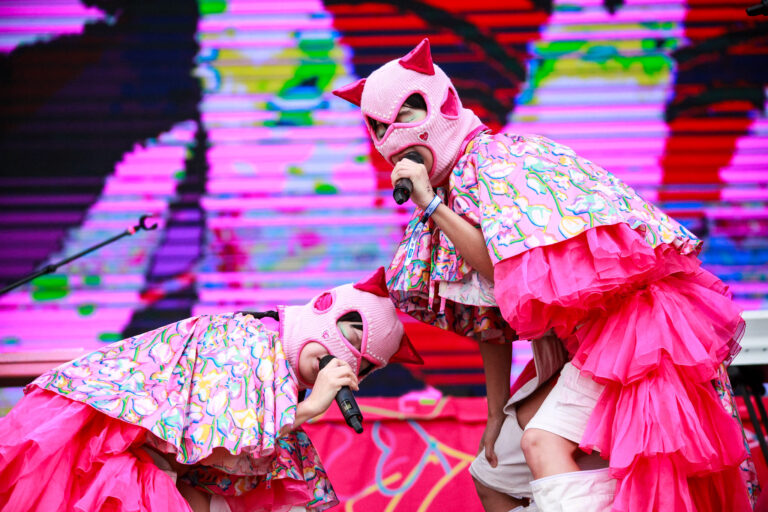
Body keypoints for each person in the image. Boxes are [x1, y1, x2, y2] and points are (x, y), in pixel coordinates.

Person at [333, 38, 755, 511]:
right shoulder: (450, 193)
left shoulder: (497, 162)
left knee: (542, 443)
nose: (390, 139)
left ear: (440, 105)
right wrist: (495, 412)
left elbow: (507, 268)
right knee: (491, 474)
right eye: (377, 128)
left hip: (630, 334)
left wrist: (431, 205)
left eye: (403, 118)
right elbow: (490, 315)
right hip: (577, 350)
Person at [0, 267, 422, 512]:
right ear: (326, 310)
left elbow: (205, 472)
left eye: (362, 366)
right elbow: (218, 441)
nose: (346, 363)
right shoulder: (246, 340)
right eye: (351, 339)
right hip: (102, 468)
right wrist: (310, 407)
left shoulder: (275, 378)